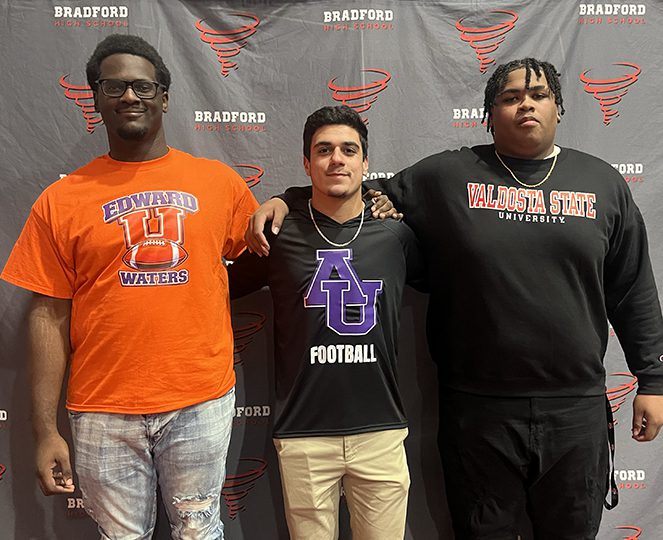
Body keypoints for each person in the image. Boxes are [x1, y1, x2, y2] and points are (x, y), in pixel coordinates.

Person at [244, 58, 663, 539]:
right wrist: (287, 200)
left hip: (575, 406)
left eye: (539, 95)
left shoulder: (602, 183)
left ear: (559, 107)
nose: (525, 105)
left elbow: (632, 287)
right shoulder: (448, 175)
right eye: (510, 97)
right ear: (489, 113)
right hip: (477, 409)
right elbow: (348, 190)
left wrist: (652, 379)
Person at [1, 34, 258, 539]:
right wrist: (45, 430)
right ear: (96, 98)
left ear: (165, 97)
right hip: (102, 409)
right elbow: (47, 315)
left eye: (143, 86)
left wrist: (285, 203)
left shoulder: (219, 183)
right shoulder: (61, 199)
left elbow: (267, 252)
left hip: (199, 399)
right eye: (113, 86)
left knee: (200, 533)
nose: (129, 96)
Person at [229, 105, 425, 539]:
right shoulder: (278, 234)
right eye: (324, 150)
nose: (337, 159)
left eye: (349, 150)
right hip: (304, 435)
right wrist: (286, 198)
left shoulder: (395, 234)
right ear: (307, 163)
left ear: (366, 163)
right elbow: (218, 286)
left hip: (380, 431)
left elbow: (445, 278)